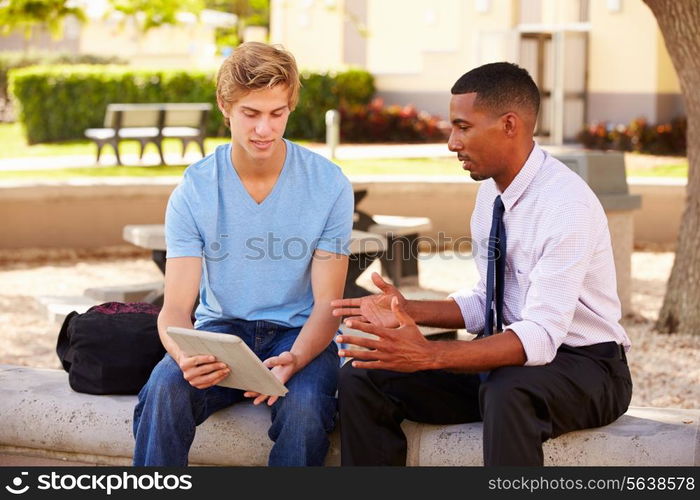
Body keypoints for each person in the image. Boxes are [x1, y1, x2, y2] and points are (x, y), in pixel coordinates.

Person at [332, 62, 632, 466]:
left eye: (463, 127)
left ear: (509, 124)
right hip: (507, 356)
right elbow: (487, 300)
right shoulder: (491, 194)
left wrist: (429, 355)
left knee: (508, 391)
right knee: (364, 375)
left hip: (587, 367)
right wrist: (408, 310)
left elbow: (541, 336)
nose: (452, 143)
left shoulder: (566, 206)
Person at [132, 42, 354, 466]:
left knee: (307, 412)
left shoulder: (328, 185)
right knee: (163, 391)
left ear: (291, 106)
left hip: (298, 335)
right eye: (251, 114)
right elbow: (176, 307)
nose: (264, 130)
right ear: (225, 106)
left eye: (277, 114)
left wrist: (296, 358)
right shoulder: (194, 190)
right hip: (219, 334)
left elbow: (328, 304)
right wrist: (184, 357)